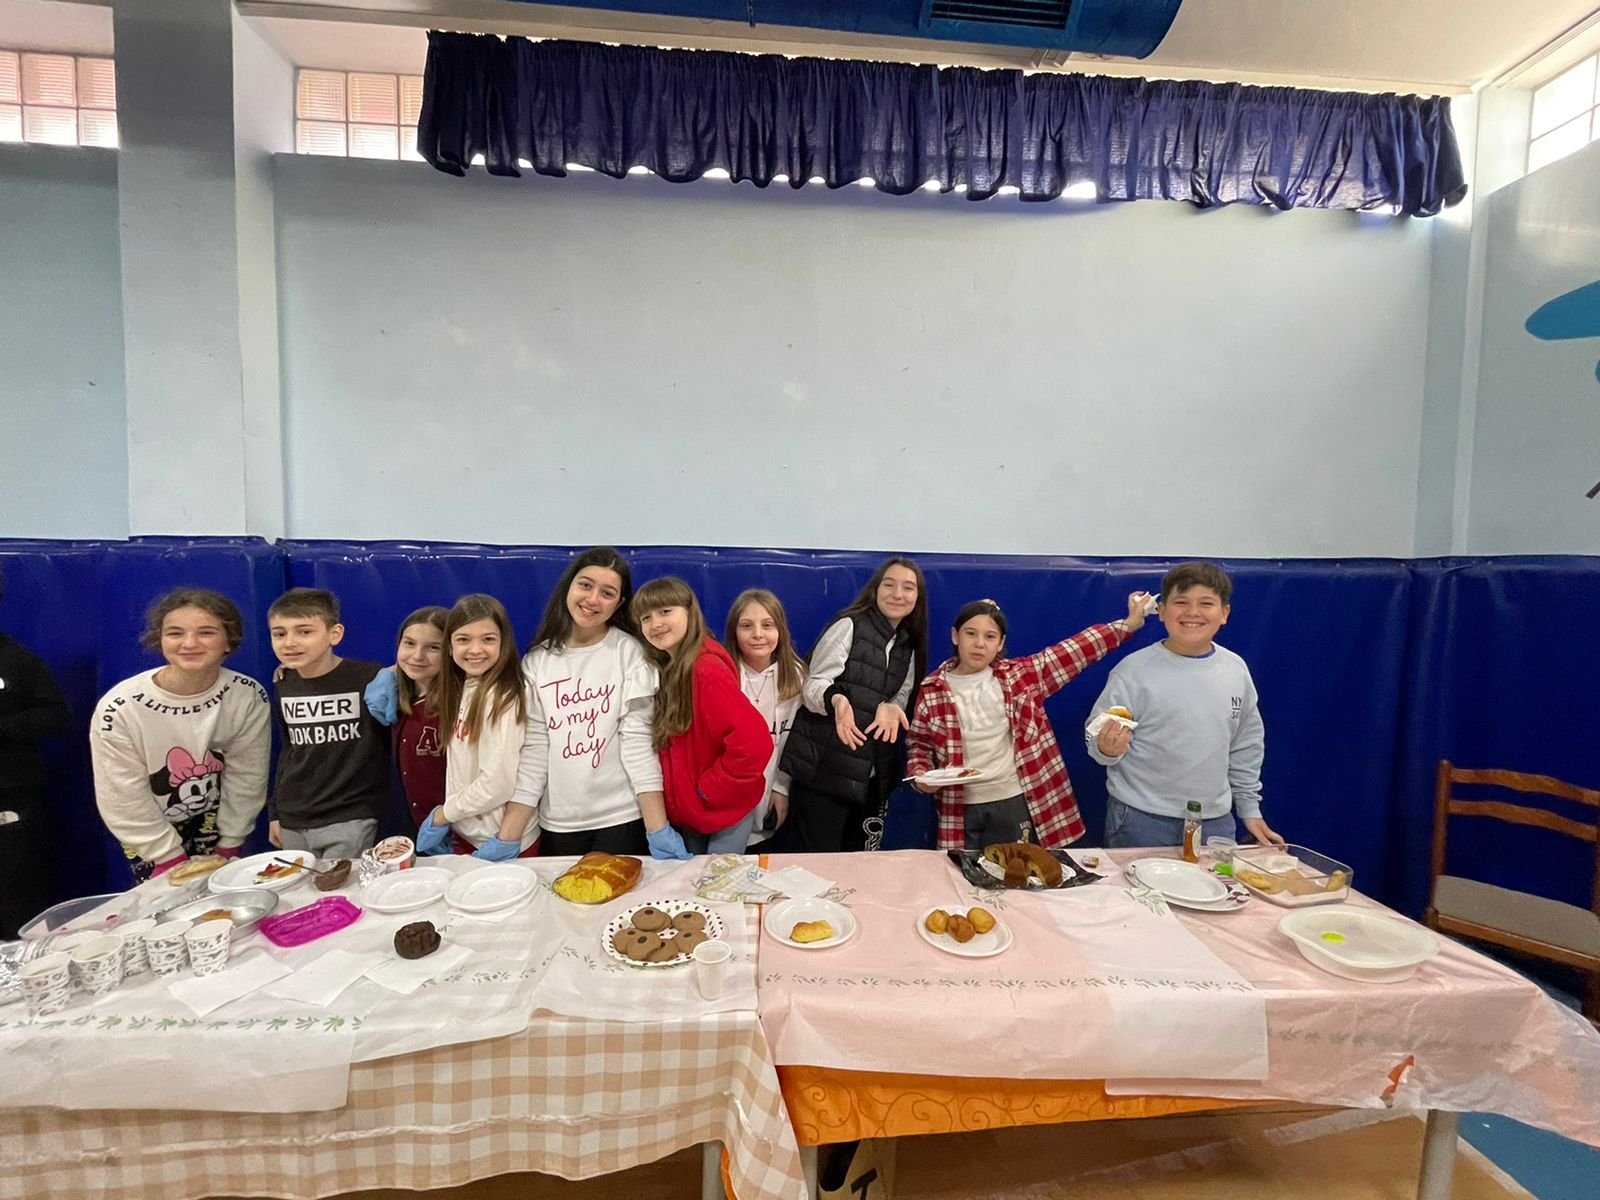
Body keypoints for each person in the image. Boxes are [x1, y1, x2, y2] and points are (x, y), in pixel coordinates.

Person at [907, 592, 1150, 851]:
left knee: (1014, 870)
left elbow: (1076, 650)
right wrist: (921, 773)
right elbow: (919, 743)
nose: (979, 644)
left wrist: (1128, 625)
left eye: (990, 636)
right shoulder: (931, 689)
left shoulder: (1021, 677)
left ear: (1000, 643)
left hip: (1013, 800)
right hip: (958, 808)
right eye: (970, 633)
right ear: (955, 636)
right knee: (961, 873)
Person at [1087, 562, 1283, 849]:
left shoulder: (1236, 670)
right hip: (1140, 819)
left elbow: (1246, 744)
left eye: (1206, 603)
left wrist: (1249, 809)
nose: (1192, 612)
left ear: (1224, 613)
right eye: (1181, 602)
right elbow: (1096, 735)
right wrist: (1106, 748)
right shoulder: (1133, 671)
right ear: (1162, 611)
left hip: (1215, 820)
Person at [90, 588, 270, 882]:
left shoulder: (247, 695)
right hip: (149, 830)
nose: (190, 643)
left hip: (215, 823)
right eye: (175, 633)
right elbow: (122, 796)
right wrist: (166, 857)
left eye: (206, 632)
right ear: (159, 639)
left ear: (229, 640)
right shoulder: (120, 708)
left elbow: (247, 776)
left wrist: (230, 842)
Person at [509, 548, 676, 858]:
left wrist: (657, 827)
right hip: (558, 822)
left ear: (619, 603)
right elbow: (534, 751)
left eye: (607, 593)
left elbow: (639, 744)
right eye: (585, 585)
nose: (593, 599)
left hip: (622, 818)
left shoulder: (631, 653)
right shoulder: (536, 661)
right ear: (569, 586)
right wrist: (509, 835)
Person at [779, 557, 928, 853]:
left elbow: (902, 693)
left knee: (858, 865)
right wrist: (836, 700)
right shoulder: (850, 625)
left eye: (908, 588)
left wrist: (892, 706)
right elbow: (812, 685)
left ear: (917, 597)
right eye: (889, 585)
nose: (898, 594)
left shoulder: (908, 644)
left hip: (870, 782)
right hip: (823, 775)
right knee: (818, 866)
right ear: (876, 589)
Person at [633, 578, 771, 855]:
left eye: (665, 611)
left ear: (689, 612)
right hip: (696, 814)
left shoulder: (705, 670)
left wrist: (708, 790)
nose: (655, 623)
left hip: (721, 812)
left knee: (717, 881)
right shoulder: (672, 668)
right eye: (646, 617)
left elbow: (755, 744)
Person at [265, 588, 389, 860]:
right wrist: (275, 812)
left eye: (304, 632)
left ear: (335, 634)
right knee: (300, 886)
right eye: (279, 634)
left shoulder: (370, 677)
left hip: (350, 814)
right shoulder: (284, 682)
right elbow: (289, 750)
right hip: (293, 816)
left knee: (340, 885)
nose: (290, 642)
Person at [415, 595, 539, 860]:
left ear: (504, 643)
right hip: (470, 832)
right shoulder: (466, 686)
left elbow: (497, 783)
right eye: (463, 639)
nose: (475, 649)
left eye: (488, 639)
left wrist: (443, 815)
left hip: (501, 839)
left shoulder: (504, 696)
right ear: (449, 646)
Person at [0, 565, 72, 937]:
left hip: (11, 801)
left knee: (16, 898)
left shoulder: (17, 660)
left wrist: (5, 726)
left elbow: (55, 716)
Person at [723, 589, 804, 852]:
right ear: (734, 632)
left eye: (767, 625)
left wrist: (781, 788)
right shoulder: (722, 675)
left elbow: (794, 743)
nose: (758, 634)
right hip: (728, 800)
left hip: (771, 797)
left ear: (780, 630)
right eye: (747, 626)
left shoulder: (796, 677)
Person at [364, 606, 449, 827]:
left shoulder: (460, 704)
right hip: (415, 823)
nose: (417, 656)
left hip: (457, 827)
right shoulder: (397, 696)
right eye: (409, 643)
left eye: (434, 647)